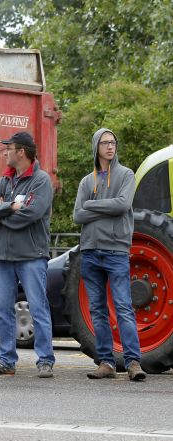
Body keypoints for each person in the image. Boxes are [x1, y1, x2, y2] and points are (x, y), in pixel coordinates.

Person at [0, 131, 56, 378]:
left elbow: (31, 215)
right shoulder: (5, 181)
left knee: (38, 307)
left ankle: (45, 360)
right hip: (3, 256)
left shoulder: (41, 181)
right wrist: (9, 207)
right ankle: (5, 360)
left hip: (32, 255)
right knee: (1, 308)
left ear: (21, 151)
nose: (4, 152)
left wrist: (1, 217)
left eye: (8, 148)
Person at [73, 128, 146, 381]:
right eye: (105, 143)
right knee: (97, 310)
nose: (110, 147)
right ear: (96, 147)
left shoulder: (126, 175)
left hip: (116, 250)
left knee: (124, 307)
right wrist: (105, 208)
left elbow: (123, 205)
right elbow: (77, 215)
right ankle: (106, 362)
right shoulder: (86, 181)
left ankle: (133, 362)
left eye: (113, 142)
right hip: (90, 251)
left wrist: (91, 205)